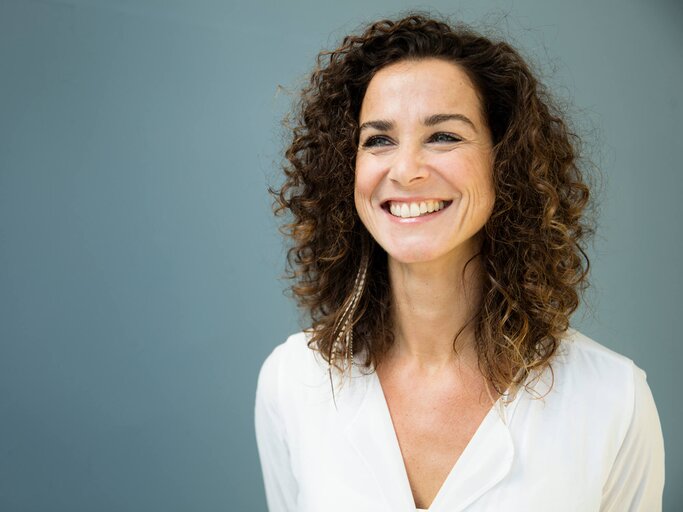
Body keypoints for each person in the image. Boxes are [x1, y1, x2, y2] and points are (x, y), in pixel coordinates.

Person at [255, 13, 665, 512]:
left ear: (505, 160)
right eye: (379, 140)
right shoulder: (292, 381)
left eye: (444, 136)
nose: (405, 171)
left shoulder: (612, 401)